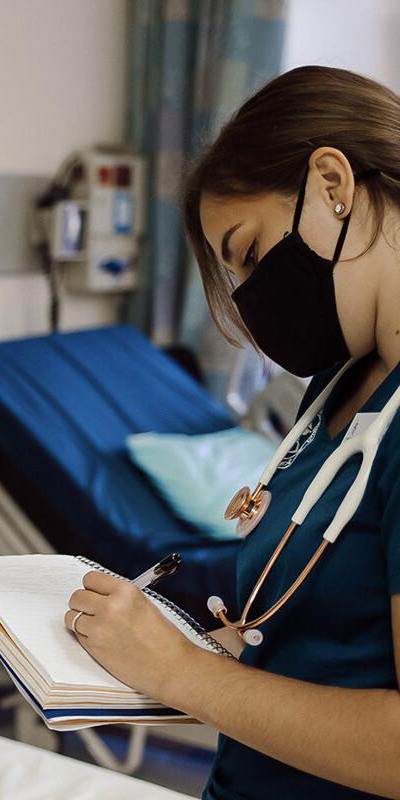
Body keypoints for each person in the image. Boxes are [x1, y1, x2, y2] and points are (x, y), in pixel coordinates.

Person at [66, 65, 400, 799]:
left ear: (333, 185)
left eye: (249, 253)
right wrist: (199, 650)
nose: (254, 303)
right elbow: (327, 642)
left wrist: (183, 672)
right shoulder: (339, 389)